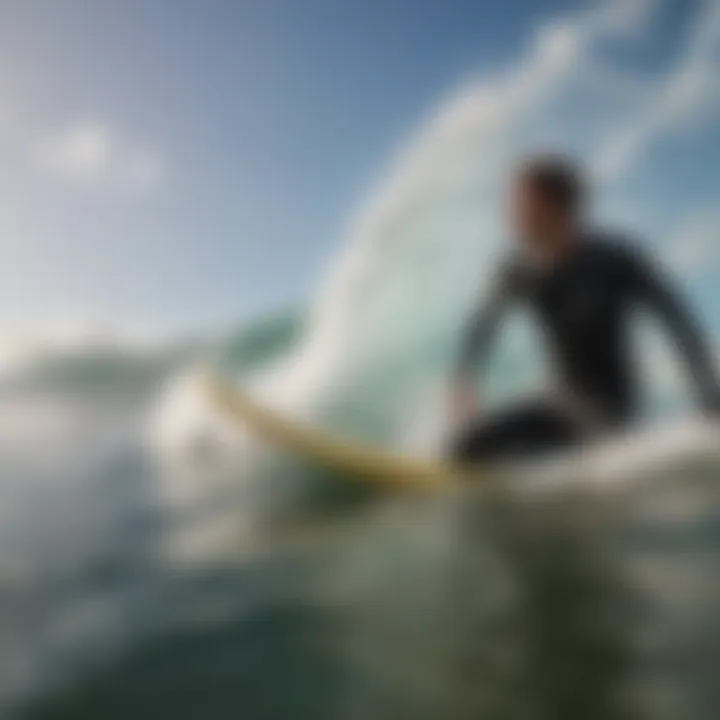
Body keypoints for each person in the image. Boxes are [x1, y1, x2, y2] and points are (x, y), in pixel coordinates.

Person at [449, 154, 720, 463]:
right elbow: (484, 323)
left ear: (553, 207)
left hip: (606, 412)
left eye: (520, 203)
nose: (510, 213)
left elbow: (679, 323)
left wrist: (711, 400)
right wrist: (463, 380)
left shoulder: (616, 260)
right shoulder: (520, 269)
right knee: (468, 443)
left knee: (474, 447)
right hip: (558, 402)